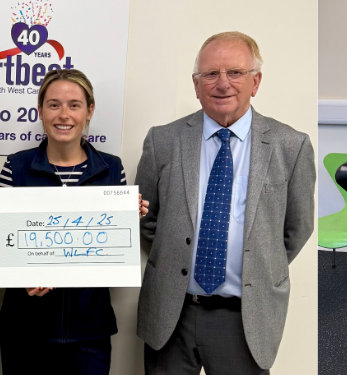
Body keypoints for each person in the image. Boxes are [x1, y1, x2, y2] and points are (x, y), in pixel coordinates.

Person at [137, 31, 315, 374]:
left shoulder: (290, 146)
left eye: (235, 72)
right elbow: (145, 216)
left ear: (256, 81)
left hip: (246, 318)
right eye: (210, 74)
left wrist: (256, 262)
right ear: (196, 83)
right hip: (172, 314)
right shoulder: (163, 140)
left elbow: (298, 227)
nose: (222, 83)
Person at [0, 68, 148, 374]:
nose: (64, 115)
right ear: (41, 111)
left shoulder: (111, 169)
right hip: (25, 330)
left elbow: (114, 248)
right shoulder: (16, 167)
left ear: (89, 111)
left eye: (74, 105)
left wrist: (130, 220)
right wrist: (18, 277)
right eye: (54, 104)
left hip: (90, 331)